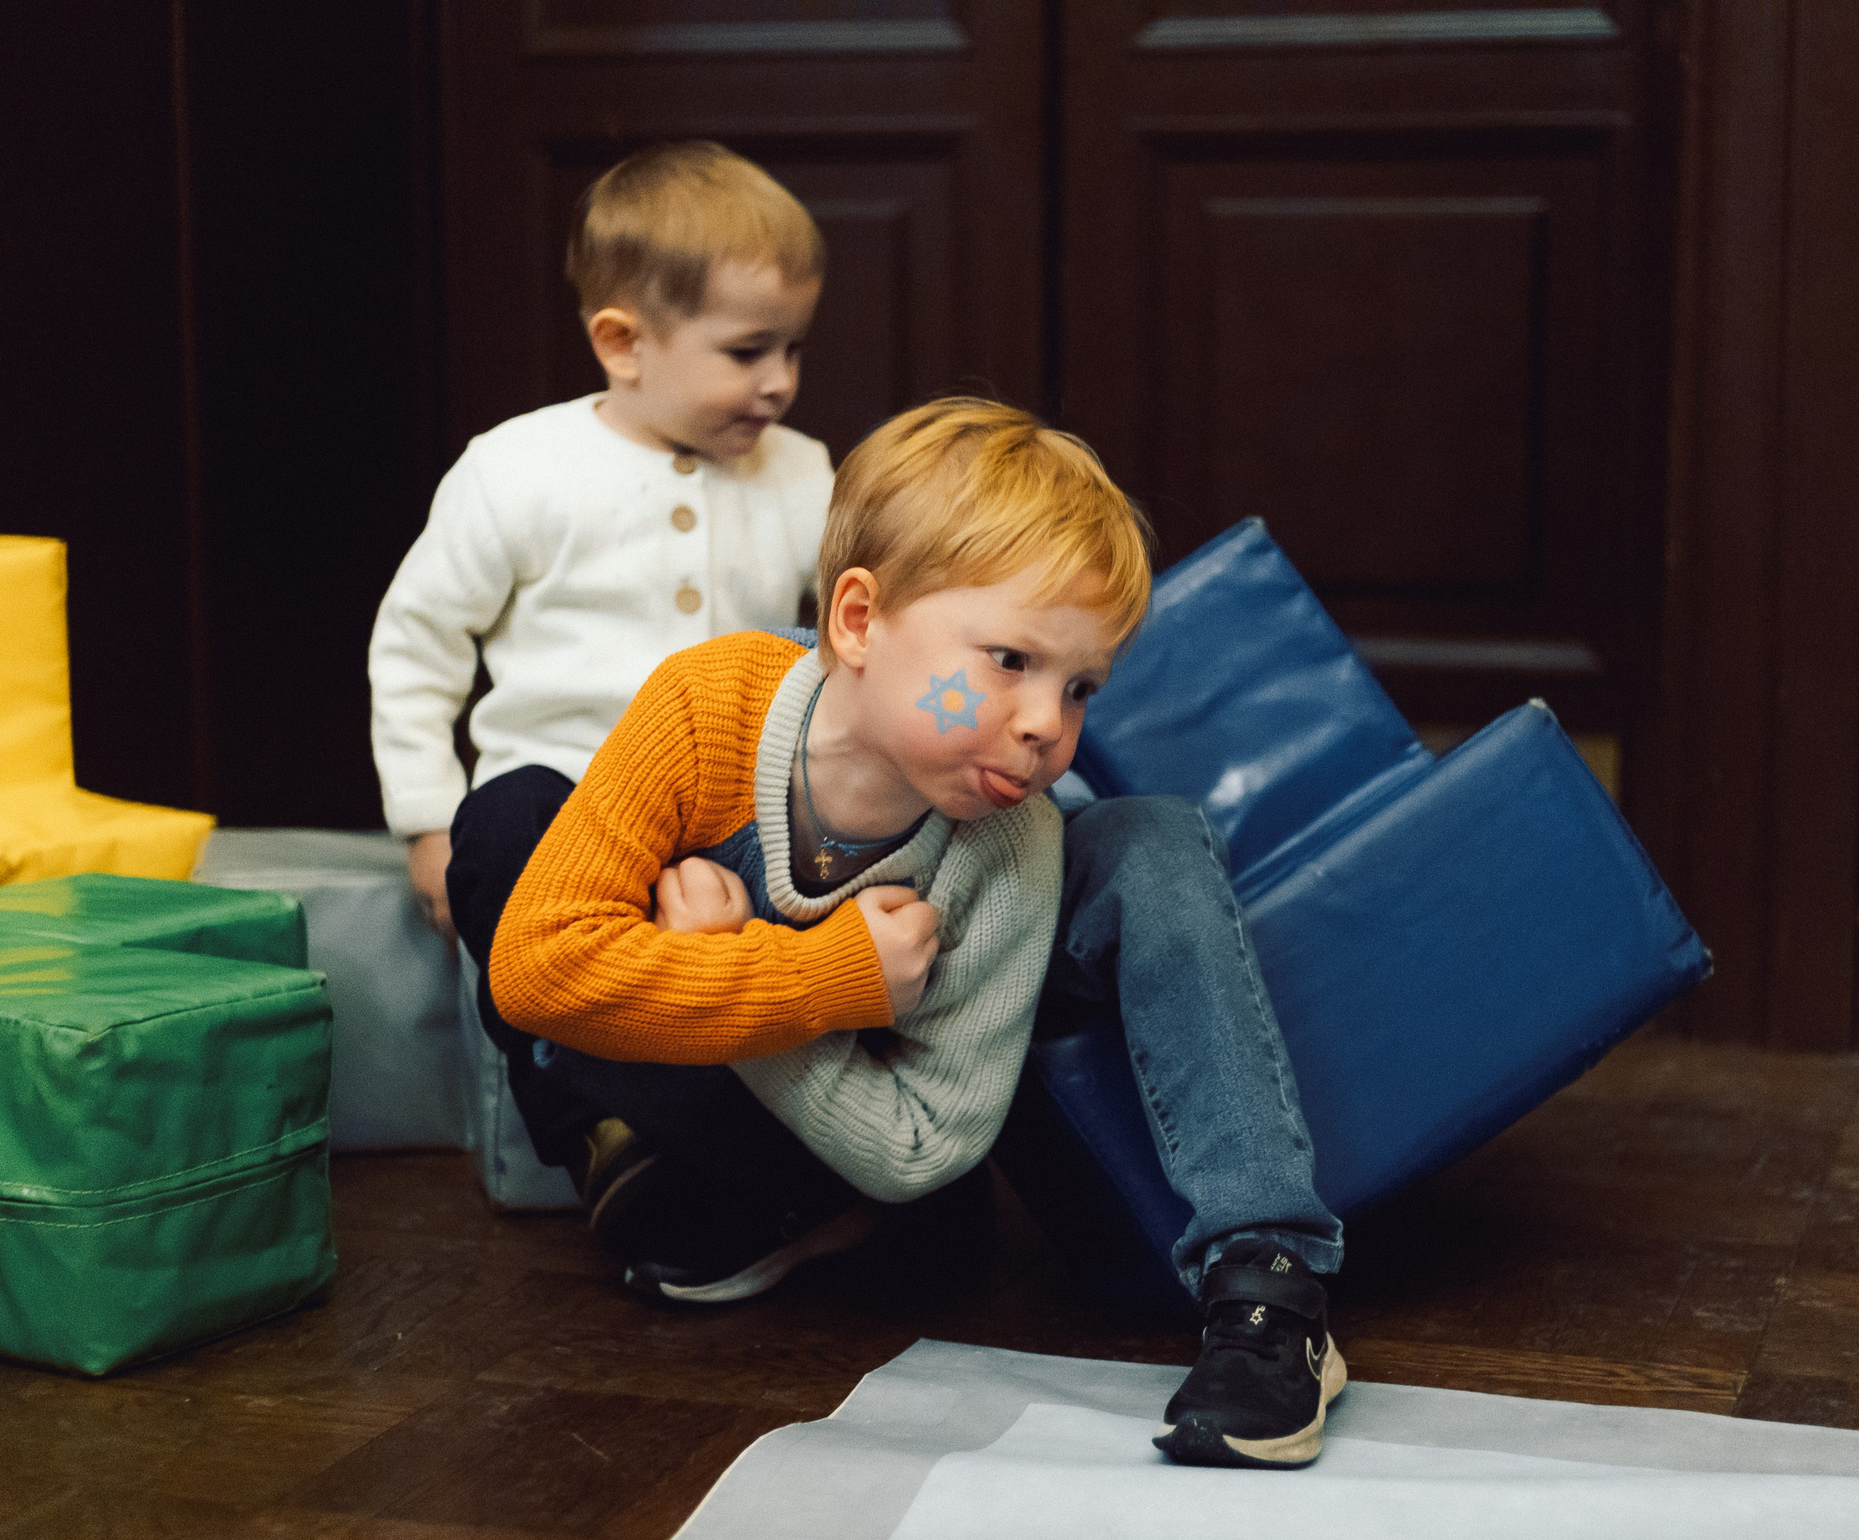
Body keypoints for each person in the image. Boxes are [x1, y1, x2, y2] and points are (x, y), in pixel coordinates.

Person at [464, 399, 1350, 1469]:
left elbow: (923, 1142)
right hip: (743, 1104)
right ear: (856, 622)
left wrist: (748, 983)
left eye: (1079, 690)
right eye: (1008, 661)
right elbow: (532, 971)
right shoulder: (707, 707)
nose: (1045, 726)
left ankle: (1267, 1291)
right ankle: (698, 1196)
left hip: (859, 1141)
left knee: (1144, 843)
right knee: (510, 819)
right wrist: (820, 974)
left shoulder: (1012, 845)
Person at [367, 140, 832, 948]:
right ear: (623, 344)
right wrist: (428, 822)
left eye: (793, 349)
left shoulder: (800, 473)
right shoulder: (517, 468)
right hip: (562, 792)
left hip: (722, 812)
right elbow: (418, 644)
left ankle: (723, 1036)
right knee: (506, 830)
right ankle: (556, 1050)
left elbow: (853, 631)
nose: (780, 382)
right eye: (748, 351)